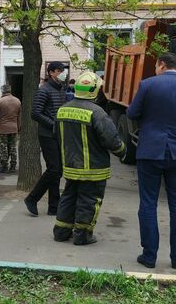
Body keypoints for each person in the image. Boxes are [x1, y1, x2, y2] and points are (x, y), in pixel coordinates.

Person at [127, 52, 176, 270]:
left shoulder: (147, 85)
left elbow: (132, 113)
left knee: (148, 203)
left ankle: (149, 256)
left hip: (149, 151)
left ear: (161, 65)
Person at [52, 72, 127, 245]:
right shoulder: (97, 113)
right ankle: (82, 235)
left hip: (70, 166)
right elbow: (112, 140)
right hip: (94, 169)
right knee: (89, 201)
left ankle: (61, 232)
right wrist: (123, 152)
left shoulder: (62, 110)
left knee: (68, 197)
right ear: (94, 91)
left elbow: (57, 135)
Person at [24, 61, 67, 216]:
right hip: (47, 134)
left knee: (57, 171)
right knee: (54, 168)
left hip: (58, 134)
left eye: (63, 70)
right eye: (58, 70)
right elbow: (35, 113)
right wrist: (52, 124)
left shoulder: (61, 89)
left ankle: (54, 206)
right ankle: (32, 198)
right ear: (51, 73)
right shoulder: (44, 90)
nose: (62, 72)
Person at [0, 84, 21, 173]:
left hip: (2, 128)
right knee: (13, 147)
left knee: (3, 147)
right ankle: (13, 166)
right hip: (14, 127)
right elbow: (19, 117)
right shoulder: (17, 101)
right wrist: (18, 127)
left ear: (2, 91)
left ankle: (4, 166)